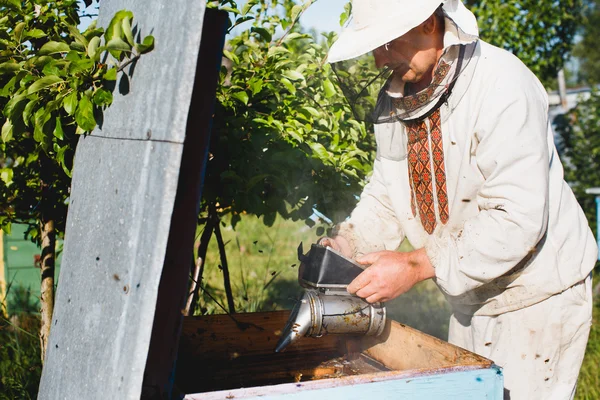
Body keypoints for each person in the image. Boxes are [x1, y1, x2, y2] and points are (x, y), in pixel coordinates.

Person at [321, 1, 596, 399]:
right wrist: (346, 244)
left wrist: (414, 265)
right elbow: (386, 194)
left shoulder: (501, 84)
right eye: (374, 47)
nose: (380, 59)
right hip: (468, 297)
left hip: (537, 296)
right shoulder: (396, 100)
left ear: (430, 23)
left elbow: (516, 218)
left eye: (387, 42)